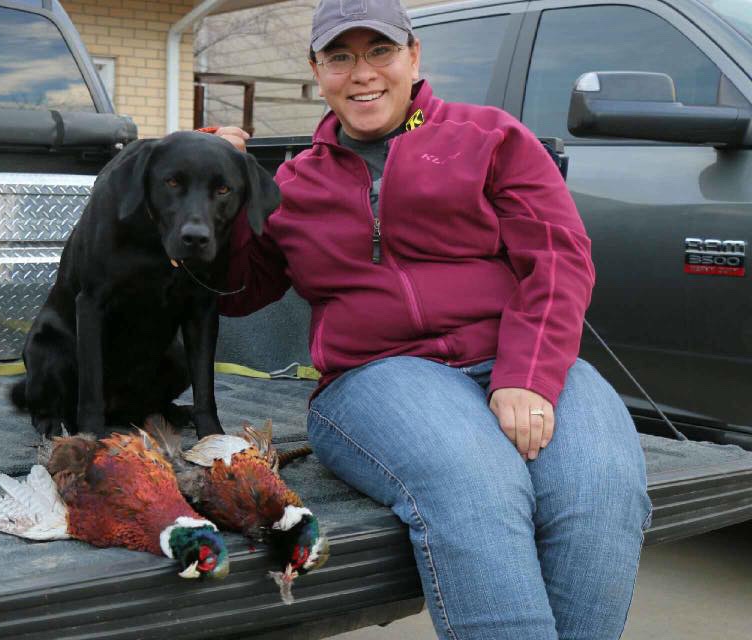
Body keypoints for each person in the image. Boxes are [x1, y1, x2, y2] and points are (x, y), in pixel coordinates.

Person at [210, 1, 651, 637]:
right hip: (380, 376)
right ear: (318, 71)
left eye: (379, 52)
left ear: (414, 57)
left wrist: (527, 374)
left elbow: (557, 258)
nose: (362, 74)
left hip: (515, 357)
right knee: (477, 484)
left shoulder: (491, 137)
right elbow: (236, 292)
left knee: (603, 487)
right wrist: (220, 188)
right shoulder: (294, 184)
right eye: (340, 57)